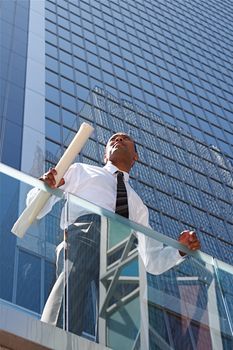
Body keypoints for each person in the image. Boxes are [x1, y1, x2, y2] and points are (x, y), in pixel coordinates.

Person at [27, 132, 200, 338]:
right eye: (113, 139)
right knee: (69, 291)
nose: (117, 140)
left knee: (121, 327)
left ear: (135, 157)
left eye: (125, 139)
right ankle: (52, 342)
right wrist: (45, 187)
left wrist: (179, 251)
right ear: (104, 155)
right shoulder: (80, 170)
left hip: (124, 251)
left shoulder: (139, 205)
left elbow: (152, 260)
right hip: (84, 233)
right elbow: (36, 207)